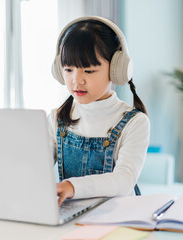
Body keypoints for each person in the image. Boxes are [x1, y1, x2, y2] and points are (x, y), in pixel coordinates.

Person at [48, 16, 150, 206]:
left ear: (116, 69)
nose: (76, 81)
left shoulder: (135, 122)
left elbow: (124, 180)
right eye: (68, 69)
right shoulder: (56, 118)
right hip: (73, 217)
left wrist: (72, 186)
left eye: (88, 71)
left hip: (120, 217)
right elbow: (35, 167)